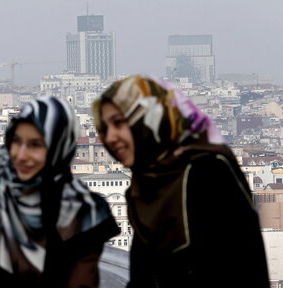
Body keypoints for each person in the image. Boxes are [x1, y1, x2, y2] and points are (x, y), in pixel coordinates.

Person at [93, 75, 269, 287]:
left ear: (151, 117)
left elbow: (234, 266)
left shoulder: (206, 170)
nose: (111, 137)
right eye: (104, 128)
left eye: (119, 123)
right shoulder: (145, 185)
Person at [0, 96, 119, 287]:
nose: (22, 155)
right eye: (17, 142)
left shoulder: (83, 213)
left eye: (36, 144)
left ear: (59, 147)